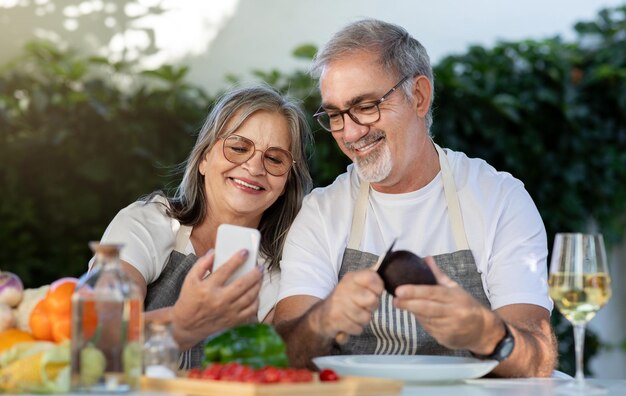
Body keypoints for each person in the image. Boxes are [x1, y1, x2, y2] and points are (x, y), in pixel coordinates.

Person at [273, 19, 557, 377]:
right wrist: (322, 321)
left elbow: (538, 358)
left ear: (419, 96)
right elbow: (281, 354)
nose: (350, 132)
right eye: (334, 114)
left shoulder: (499, 199)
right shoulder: (323, 212)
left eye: (365, 106)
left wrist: (486, 332)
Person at [93, 84, 312, 368]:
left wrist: (249, 339)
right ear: (205, 158)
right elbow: (101, 335)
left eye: (274, 158)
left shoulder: (279, 273)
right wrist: (184, 323)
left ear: (285, 184)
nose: (255, 167)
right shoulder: (144, 223)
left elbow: (269, 376)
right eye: (238, 147)